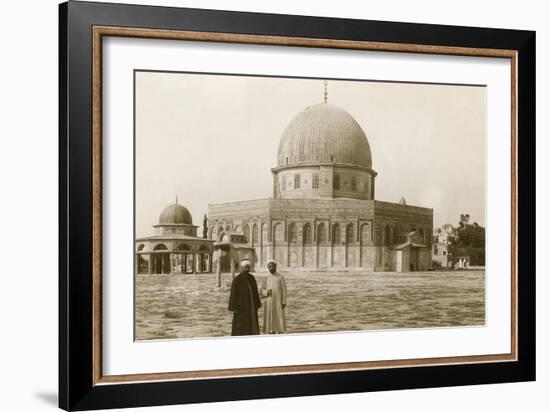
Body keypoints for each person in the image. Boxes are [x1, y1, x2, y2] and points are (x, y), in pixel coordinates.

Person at [228, 259, 261, 336]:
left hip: (251, 306)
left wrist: (257, 304)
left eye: (248, 267)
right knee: (241, 325)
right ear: (242, 268)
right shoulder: (237, 279)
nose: (247, 268)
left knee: (252, 322)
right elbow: (233, 294)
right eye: (245, 267)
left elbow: (255, 292)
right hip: (241, 307)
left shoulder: (252, 278)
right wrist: (233, 307)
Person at [261, 260, 287, 334]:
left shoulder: (280, 277)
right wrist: (266, 292)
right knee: (270, 316)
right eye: (269, 267)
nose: (271, 268)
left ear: (276, 267)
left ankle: (279, 330)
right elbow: (262, 290)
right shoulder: (266, 277)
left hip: (278, 301)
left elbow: (284, 290)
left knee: (278, 316)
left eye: (272, 266)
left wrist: (284, 301)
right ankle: (270, 330)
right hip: (269, 301)